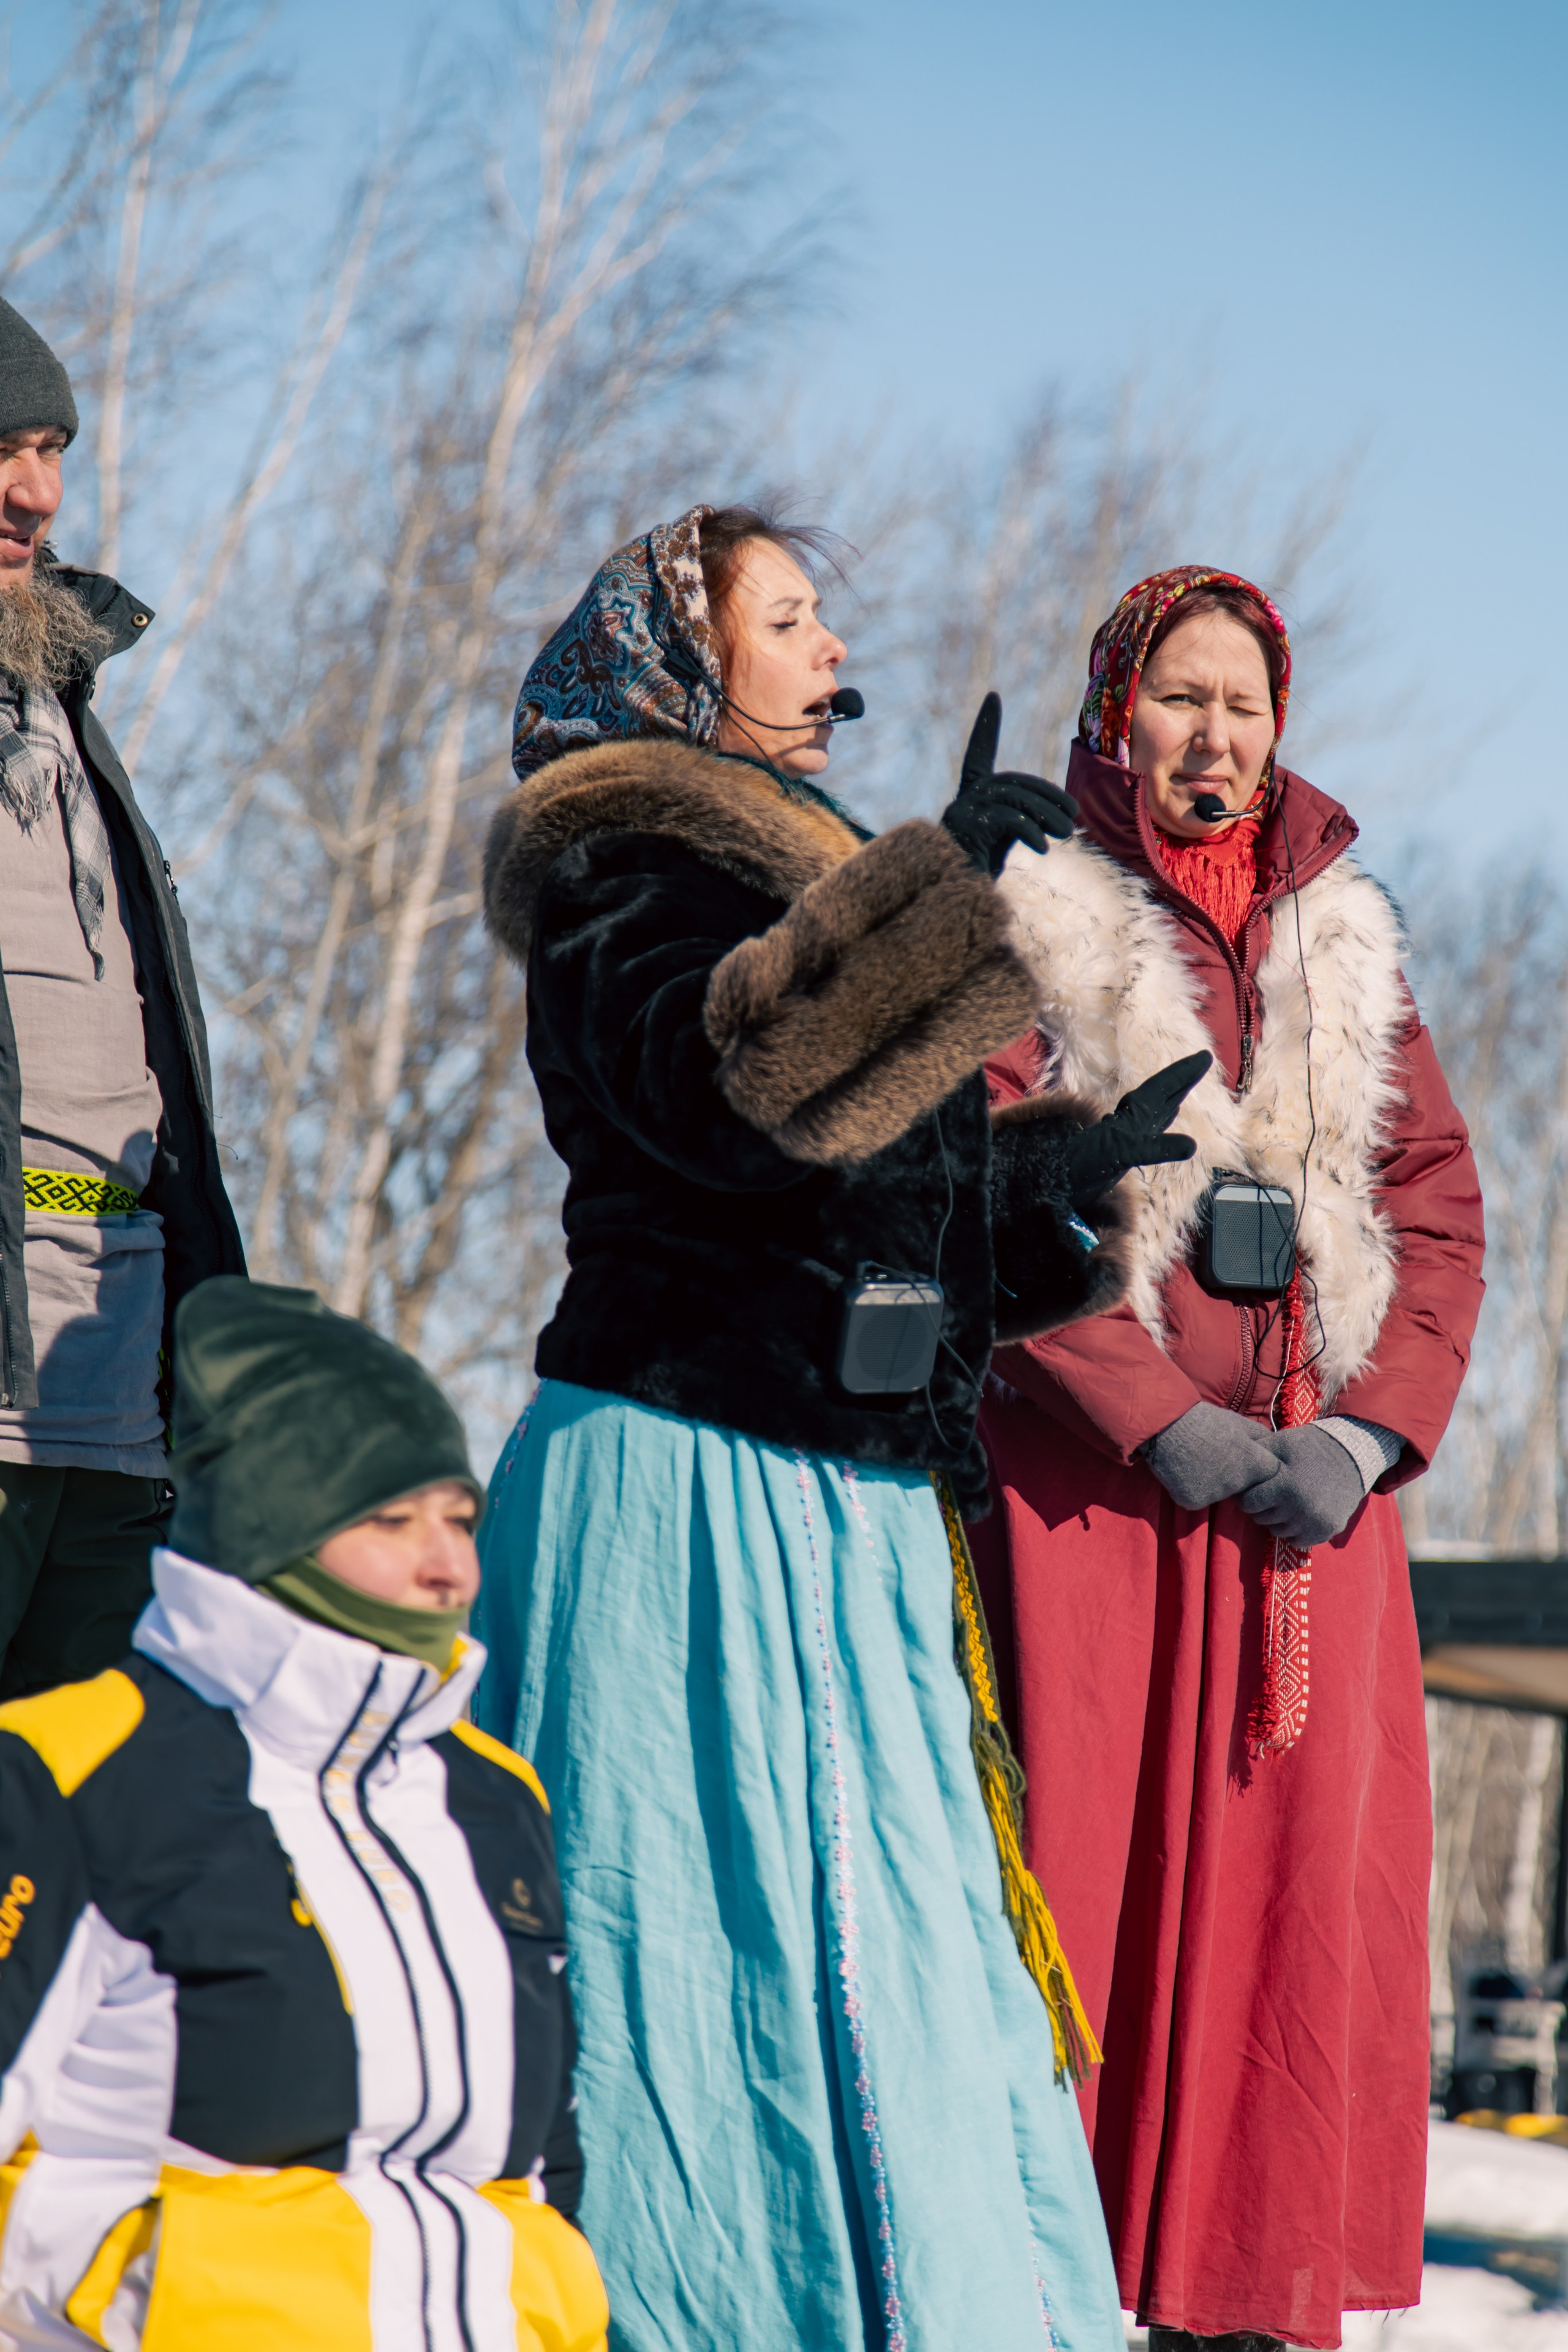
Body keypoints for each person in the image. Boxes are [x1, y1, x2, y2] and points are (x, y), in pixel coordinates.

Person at [474, 505, 1204, 2351]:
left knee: (896, 1923)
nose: (827, 650)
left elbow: (862, 1212)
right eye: (786, 618)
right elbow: (732, 1098)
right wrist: (934, 897)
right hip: (693, 1475)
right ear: (683, 659)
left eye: (820, 620)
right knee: (700, 1926)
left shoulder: (801, 879)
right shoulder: (622, 865)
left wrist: (1048, 1188)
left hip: (852, 1501)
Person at [972, 567, 1485, 2351]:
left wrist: (1364, 1434)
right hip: (1098, 1515)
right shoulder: (1024, 913)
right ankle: (1048, 2287)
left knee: (1292, 1923)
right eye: (1178, 699)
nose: (1213, 735)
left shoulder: (1345, 942)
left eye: (1242, 705)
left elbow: (1437, 1216)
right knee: (1082, 1894)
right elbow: (982, 1189)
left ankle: (1241, 2308)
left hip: (1307, 1532)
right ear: (1115, 712)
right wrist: (1152, 1414)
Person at [0, 1274, 609, 2352]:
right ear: (270, 1529)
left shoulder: (492, 1792)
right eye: (393, 1520)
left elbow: (538, 2165)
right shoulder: (68, 1769)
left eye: (461, 1520)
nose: (449, 1566)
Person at [0, 296, 243, 1701]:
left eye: (50, 451)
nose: (36, 494)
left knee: (81, 1816)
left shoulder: (63, 710)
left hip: (116, 1381)